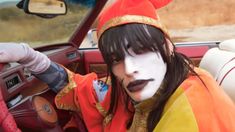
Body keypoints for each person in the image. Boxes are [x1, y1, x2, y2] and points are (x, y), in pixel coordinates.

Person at [1, 0, 235, 131]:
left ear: (167, 46)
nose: (130, 68)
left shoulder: (196, 109)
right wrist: (30, 57)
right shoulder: (134, 88)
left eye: (141, 51)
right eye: (116, 59)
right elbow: (83, 90)